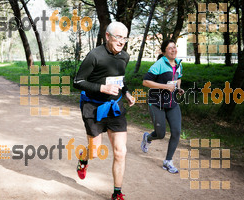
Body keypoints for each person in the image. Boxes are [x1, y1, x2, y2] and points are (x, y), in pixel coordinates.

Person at [73, 21, 135, 200]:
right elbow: (77, 82)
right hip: (93, 107)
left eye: (124, 38)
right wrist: (102, 88)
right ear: (107, 36)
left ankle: (117, 193)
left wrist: (127, 93)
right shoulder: (94, 55)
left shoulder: (125, 56)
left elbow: (120, 80)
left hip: (115, 107)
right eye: (118, 37)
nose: (122, 41)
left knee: (120, 151)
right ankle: (84, 159)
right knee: (94, 151)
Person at [141, 39, 184, 174]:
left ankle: (168, 161)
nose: (173, 50)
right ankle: (148, 138)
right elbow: (146, 82)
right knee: (160, 134)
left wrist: (178, 88)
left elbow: (178, 78)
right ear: (164, 51)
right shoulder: (159, 64)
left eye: (174, 47)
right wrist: (165, 86)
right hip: (156, 103)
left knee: (176, 131)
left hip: (171, 103)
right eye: (170, 48)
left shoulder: (178, 64)